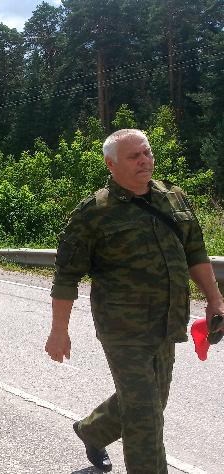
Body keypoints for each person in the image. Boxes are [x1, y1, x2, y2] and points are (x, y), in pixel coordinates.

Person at [44, 129, 224, 474]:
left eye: (147, 153)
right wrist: (59, 330)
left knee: (152, 401)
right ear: (111, 165)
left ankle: (93, 430)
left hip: (168, 321)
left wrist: (215, 299)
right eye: (134, 156)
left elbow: (196, 253)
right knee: (145, 416)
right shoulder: (94, 213)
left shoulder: (173, 198)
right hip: (123, 328)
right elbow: (66, 276)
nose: (144, 160)